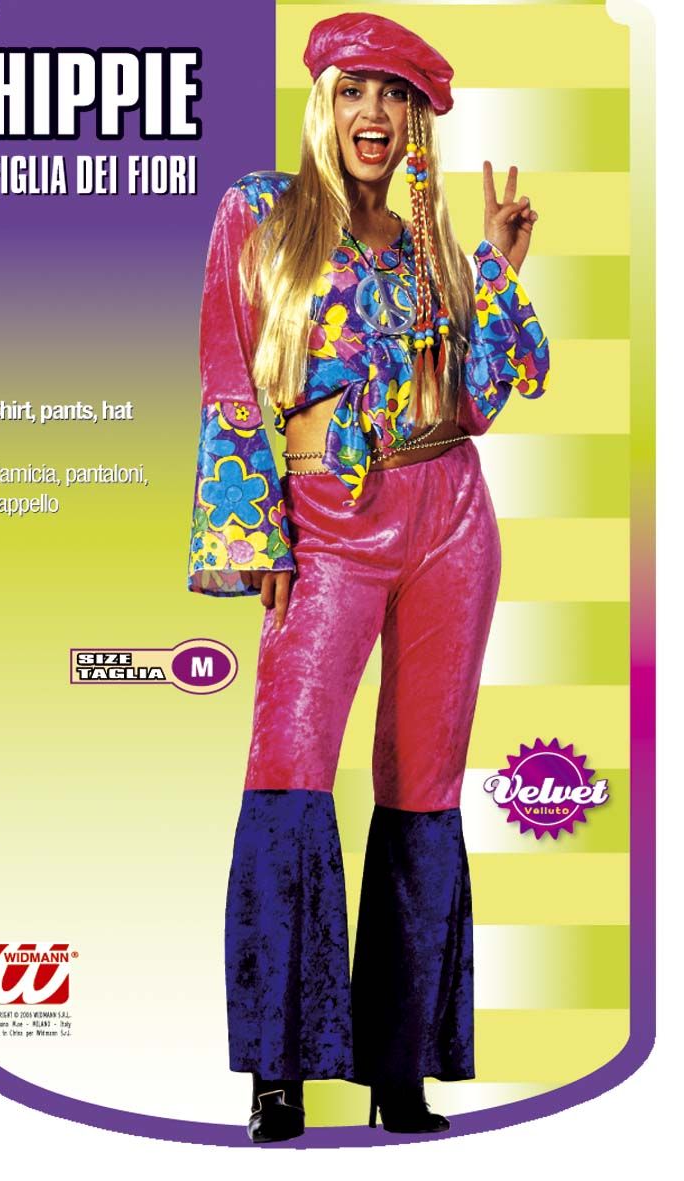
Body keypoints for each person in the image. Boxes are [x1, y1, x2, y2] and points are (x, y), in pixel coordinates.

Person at [186, 11, 549, 1143]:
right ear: (324, 105)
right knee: (290, 770)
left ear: (418, 120)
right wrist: (250, 535)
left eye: (397, 96)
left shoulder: (434, 246)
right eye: (355, 91)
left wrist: (496, 268)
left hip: (451, 517)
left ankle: (401, 1068)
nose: (375, 114)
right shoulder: (262, 212)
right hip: (328, 522)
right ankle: (280, 1070)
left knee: (422, 781)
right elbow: (227, 376)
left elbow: (485, 399)